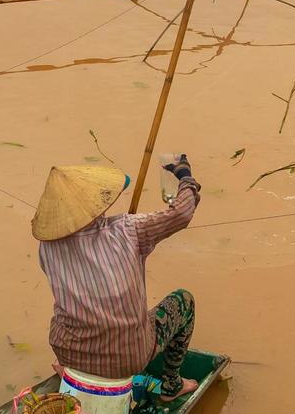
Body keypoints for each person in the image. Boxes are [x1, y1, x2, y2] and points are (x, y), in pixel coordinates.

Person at [31, 154, 201, 399]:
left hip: (68, 351)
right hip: (126, 357)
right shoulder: (128, 229)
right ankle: (171, 385)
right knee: (184, 301)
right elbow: (181, 213)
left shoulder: (47, 247)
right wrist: (185, 176)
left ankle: (71, 369)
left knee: (67, 309)